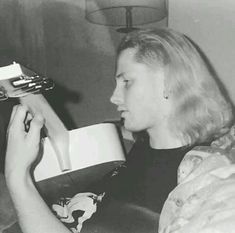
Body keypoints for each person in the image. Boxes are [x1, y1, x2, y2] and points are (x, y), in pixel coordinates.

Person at [4, 28, 234, 233]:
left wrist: (17, 176)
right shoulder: (143, 147)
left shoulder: (200, 177)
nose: (114, 97)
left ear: (169, 83)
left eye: (127, 82)